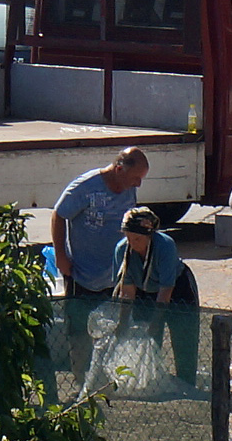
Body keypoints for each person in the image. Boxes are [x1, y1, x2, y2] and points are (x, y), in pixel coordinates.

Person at [50, 148, 148, 365]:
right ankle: (82, 382)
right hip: (82, 273)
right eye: (135, 178)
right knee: (79, 332)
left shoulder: (128, 189)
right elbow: (59, 214)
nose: (138, 184)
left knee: (113, 329)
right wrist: (61, 255)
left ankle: (106, 383)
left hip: (115, 275)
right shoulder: (86, 187)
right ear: (119, 169)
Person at [108, 205, 200, 385]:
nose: (132, 243)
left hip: (177, 290)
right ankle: (149, 380)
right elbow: (127, 290)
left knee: (184, 337)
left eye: (137, 238)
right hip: (144, 290)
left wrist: (157, 321)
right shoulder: (122, 250)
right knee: (145, 337)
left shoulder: (164, 245)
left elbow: (166, 289)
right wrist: (122, 322)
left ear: (149, 235)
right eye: (128, 237)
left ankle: (187, 382)